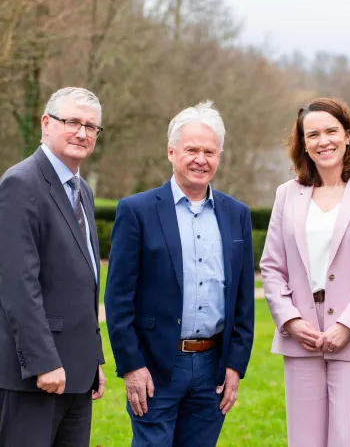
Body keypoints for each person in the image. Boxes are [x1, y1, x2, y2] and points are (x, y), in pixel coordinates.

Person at [104, 100, 255, 447]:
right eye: (191, 150)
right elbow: (118, 299)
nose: (201, 159)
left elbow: (243, 301)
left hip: (213, 369)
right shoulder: (137, 211)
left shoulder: (236, 215)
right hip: (154, 367)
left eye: (209, 151)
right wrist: (131, 366)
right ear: (171, 152)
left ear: (219, 156)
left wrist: (235, 366)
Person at [0, 87, 107, 446]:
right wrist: (43, 362)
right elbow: (17, 285)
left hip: (75, 372)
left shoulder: (81, 191)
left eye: (91, 126)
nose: (82, 132)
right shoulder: (20, 184)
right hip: (31, 373)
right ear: (46, 123)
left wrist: (93, 359)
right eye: (72, 122)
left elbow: (81, 281)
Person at [260, 97, 350, 446]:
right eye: (313, 134)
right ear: (303, 143)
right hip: (301, 336)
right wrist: (290, 320)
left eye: (332, 131)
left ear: (349, 135)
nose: (324, 141)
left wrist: (347, 325)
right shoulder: (286, 195)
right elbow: (272, 267)